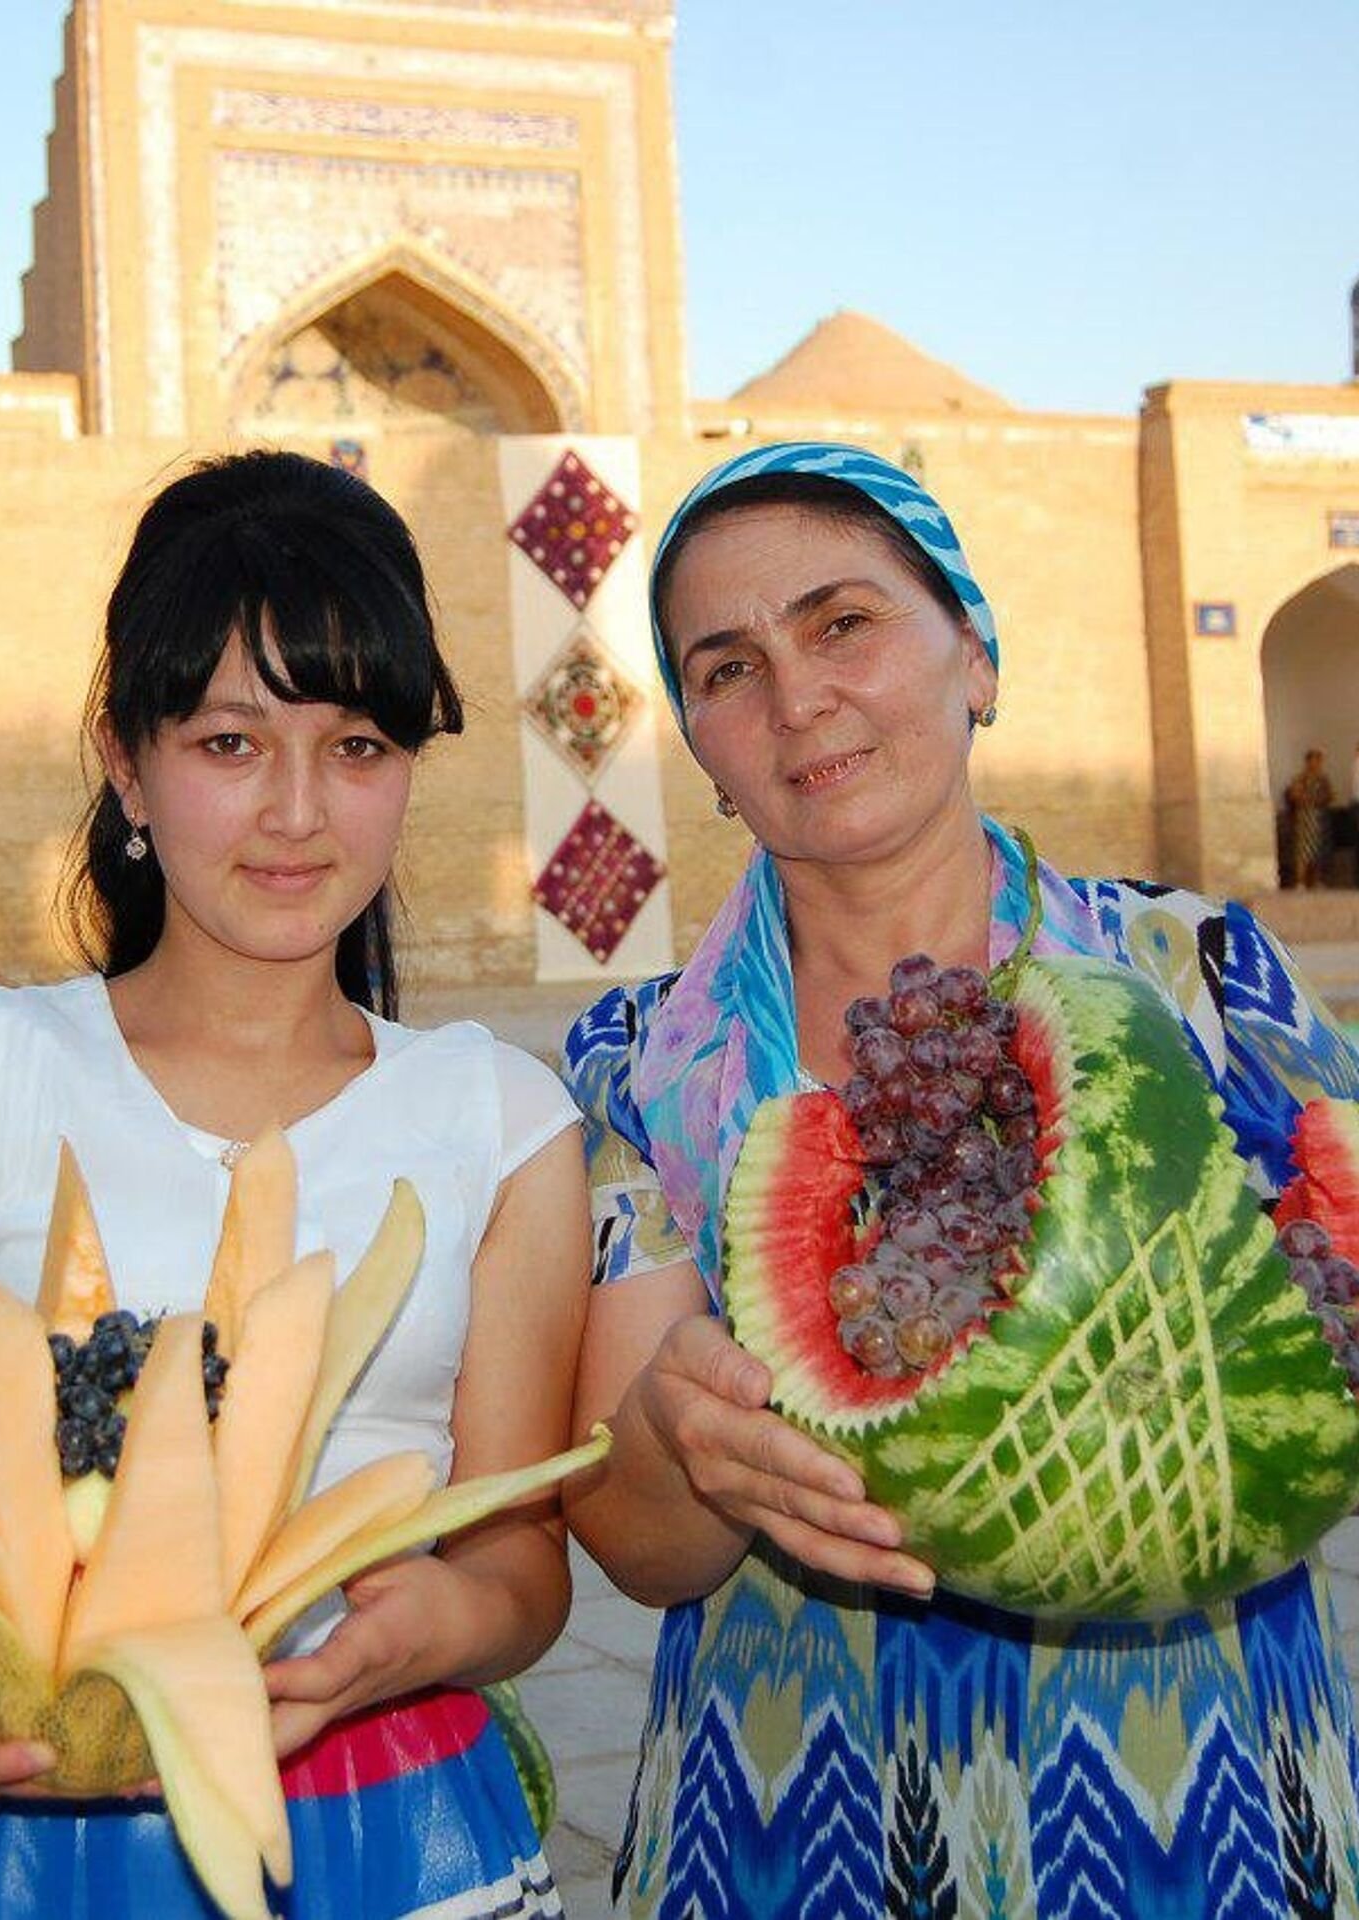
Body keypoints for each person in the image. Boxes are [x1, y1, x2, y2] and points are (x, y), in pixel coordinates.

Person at [0, 450, 590, 1919]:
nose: (296, 813)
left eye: (356, 747)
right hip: (32, 1849)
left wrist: (440, 1619)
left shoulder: (503, 1121)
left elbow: (521, 1570)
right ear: (126, 761)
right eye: (227, 743)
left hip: (397, 1834)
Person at [560, 441, 1359, 1917]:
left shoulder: (1200, 984)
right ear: (704, 750)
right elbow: (649, 1555)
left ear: (975, 656)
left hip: (1199, 1804)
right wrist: (684, 1432)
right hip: (791, 1824)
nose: (798, 700)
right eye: (726, 670)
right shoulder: (634, 1068)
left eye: (843, 623)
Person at [1283, 748, 1336, 889]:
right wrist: (1308, 799)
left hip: (1319, 819)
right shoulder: (1300, 778)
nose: (1317, 764)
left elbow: (1330, 796)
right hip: (1304, 819)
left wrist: (1318, 800)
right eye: (1314, 760)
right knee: (1302, 852)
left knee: (1318, 850)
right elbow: (1294, 795)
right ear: (1307, 762)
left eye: (1319, 761)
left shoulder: (1323, 779)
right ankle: (1300, 882)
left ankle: (1317, 881)